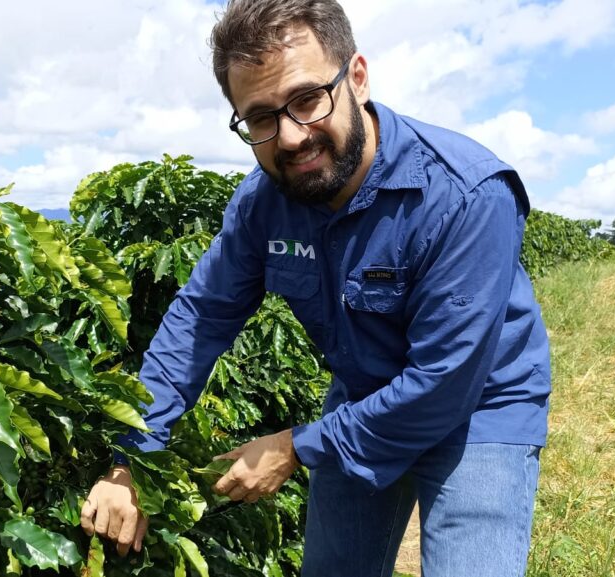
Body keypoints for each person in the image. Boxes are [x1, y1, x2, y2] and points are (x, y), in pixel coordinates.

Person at [80, 0, 551, 575]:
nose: (291, 137)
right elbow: (200, 319)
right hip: (362, 391)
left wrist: (295, 446)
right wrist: (131, 457)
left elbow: (444, 382)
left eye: (307, 100)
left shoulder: (466, 195)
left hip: (479, 406)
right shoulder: (264, 203)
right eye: (260, 119)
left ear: (356, 77)